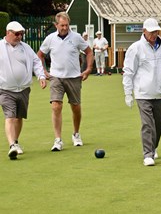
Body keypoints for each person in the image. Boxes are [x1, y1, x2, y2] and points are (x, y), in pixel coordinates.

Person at [122, 18, 161, 166]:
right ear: (144, 31)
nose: (154, 34)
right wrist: (128, 93)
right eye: (151, 32)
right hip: (143, 94)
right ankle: (148, 154)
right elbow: (128, 72)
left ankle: (153, 147)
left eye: (156, 31)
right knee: (148, 124)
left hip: (160, 93)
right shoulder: (136, 48)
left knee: (160, 122)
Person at [37, 12, 93, 151]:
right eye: (62, 25)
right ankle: (58, 139)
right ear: (56, 25)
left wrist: (88, 69)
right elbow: (40, 55)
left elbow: (89, 52)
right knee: (56, 106)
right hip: (56, 77)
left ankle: (76, 134)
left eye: (66, 25)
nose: (64, 28)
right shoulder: (50, 39)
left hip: (74, 77)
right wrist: (43, 71)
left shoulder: (76, 37)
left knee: (76, 107)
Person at [0, 21, 47, 160]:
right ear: (8, 32)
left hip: (24, 89)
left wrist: (41, 76)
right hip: (5, 89)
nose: (19, 36)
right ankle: (11, 145)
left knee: (19, 117)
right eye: (16, 34)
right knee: (10, 116)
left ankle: (15, 141)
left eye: (21, 34)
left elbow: (37, 62)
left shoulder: (26, 48)